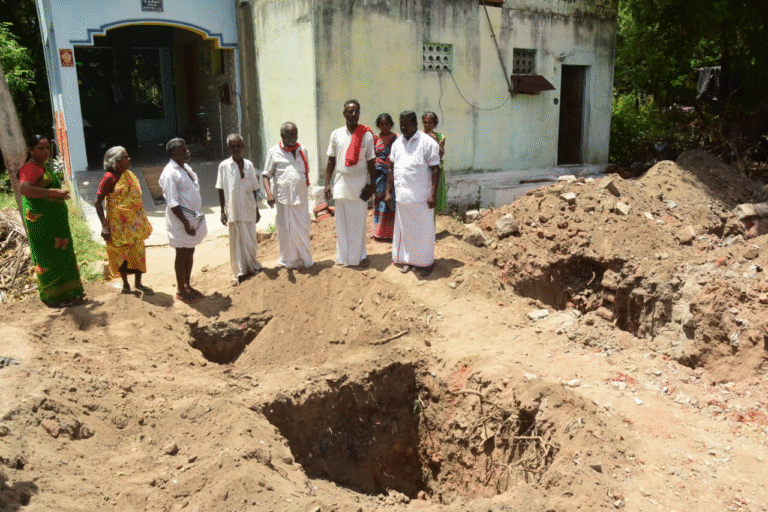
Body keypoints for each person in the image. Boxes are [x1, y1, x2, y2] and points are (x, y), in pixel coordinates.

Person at [18, 135, 85, 306]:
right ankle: (54, 297)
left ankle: (69, 292)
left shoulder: (42, 167)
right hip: (42, 225)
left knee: (62, 253)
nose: (46, 151)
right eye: (41, 148)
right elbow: (25, 189)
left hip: (55, 223)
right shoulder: (29, 168)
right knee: (48, 256)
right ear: (31, 150)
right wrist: (53, 193)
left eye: (47, 147)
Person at [386, 111, 441, 277]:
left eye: (406, 125)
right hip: (402, 197)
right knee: (406, 231)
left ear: (415, 124)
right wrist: (389, 191)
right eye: (401, 124)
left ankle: (425, 263)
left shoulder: (427, 142)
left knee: (423, 232)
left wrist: (433, 195)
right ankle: (408, 260)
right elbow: (391, 168)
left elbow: (436, 168)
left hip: (422, 198)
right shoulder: (397, 144)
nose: (403, 128)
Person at [94, 146, 154, 295]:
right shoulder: (109, 177)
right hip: (118, 225)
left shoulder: (130, 175)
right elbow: (97, 202)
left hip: (135, 223)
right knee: (122, 254)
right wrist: (104, 225)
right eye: (125, 157)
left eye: (128, 156)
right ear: (116, 161)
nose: (129, 159)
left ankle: (138, 284)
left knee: (138, 251)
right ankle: (126, 285)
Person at [324, 99, 376, 267]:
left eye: (356, 112)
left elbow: (371, 162)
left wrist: (372, 185)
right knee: (342, 223)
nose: (354, 115)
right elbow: (331, 160)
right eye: (350, 112)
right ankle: (343, 258)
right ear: (344, 114)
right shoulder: (336, 134)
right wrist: (327, 183)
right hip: (341, 182)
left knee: (359, 221)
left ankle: (360, 256)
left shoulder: (366, 135)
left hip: (360, 183)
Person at [159, 138, 208, 304]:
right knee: (181, 253)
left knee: (190, 251)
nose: (187, 151)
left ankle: (187, 285)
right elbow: (172, 202)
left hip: (191, 218)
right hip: (180, 221)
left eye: (186, 147)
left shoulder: (184, 167)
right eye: (183, 149)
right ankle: (180, 289)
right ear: (173, 153)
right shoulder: (169, 173)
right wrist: (186, 223)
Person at [263, 122, 314, 269]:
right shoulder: (274, 152)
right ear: (282, 135)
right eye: (290, 134)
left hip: (301, 198)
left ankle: (305, 260)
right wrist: (269, 193)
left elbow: (305, 172)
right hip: (283, 199)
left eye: (295, 134)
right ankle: (288, 261)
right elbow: (266, 175)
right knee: (285, 230)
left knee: (303, 228)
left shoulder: (302, 149)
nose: (294, 137)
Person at [217, 134, 262, 285]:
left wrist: (256, 210)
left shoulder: (249, 165)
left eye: (239, 146)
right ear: (229, 148)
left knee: (250, 240)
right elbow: (221, 189)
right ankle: (239, 271)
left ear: (243, 147)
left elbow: (255, 188)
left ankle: (252, 266)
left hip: (249, 208)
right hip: (233, 210)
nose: (236, 148)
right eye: (233, 146)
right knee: (236, 241)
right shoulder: (224, 166)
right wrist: (222, 211)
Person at [370, 113, 398, 241]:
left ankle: (391, 233)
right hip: (378, 175)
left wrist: (387, 163)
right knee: (379, 201)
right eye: (382, 124)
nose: (384, 126)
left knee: (391, 201)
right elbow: (371, 156)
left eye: (387, 124)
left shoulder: (396, 138)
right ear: (378, 126)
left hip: (392, 174)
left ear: (391, 124)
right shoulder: (375, 139)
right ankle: (379, 231)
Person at [422, 111, 447, 214]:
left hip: (435, 171)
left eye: (430, 123)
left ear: (434, 124)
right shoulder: (418, 136)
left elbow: (440, 154)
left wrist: (435, 141)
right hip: (422, 170)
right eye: (425, 122)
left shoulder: (440, 137)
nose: (427, 125)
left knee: (432, 199)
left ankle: (431, 228)